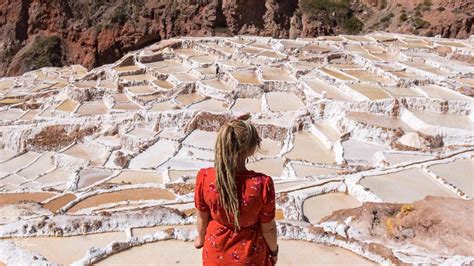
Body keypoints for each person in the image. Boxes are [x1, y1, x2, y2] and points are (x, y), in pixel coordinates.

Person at [194, 115, 278, 265]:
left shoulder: (205, 178)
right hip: (250, 256)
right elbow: (268, 228)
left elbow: (202, 217)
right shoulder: (262, 184)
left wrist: (200, 239)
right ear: (250, 149)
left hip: (215, 255)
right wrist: (274, 251)